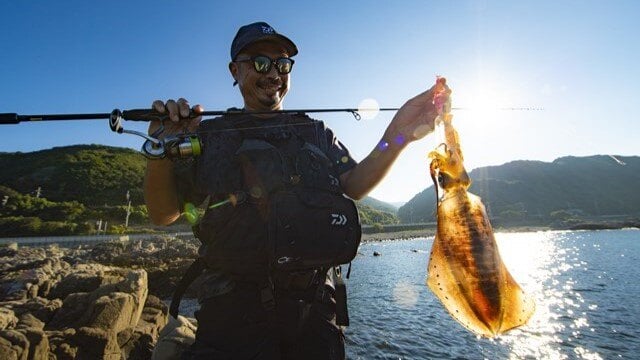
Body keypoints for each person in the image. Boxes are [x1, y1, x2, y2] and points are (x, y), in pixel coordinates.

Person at [144, 21, 446, 360]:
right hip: (231, 314)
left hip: (314, 312)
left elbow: (356, 184)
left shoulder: (316, 132)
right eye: (260, 62)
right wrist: (161, 149)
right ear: (235, 70)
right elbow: (163, 213)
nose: (273, 72)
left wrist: (401, 129)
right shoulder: (207, 136)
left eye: (283, 64)